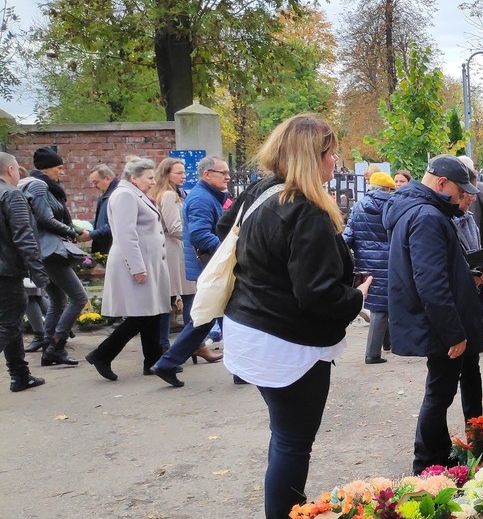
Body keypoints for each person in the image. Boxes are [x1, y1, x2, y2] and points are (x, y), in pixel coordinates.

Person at [221, 114, 370, 519]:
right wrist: (356, 297)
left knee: (283, 434)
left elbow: (224, 233)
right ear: (311, 156)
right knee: (292, 442)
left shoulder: (261, 191)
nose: (335, 160)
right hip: (286, 344)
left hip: (251, 328)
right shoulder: (305, 210)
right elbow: (318, 294)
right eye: (330, 152)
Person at [383, 154, 483, 473]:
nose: (461, 198)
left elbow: (434, 271)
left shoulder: (419, 209)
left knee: (440, 390)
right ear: (441, 183)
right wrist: (453, 333)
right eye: (459, 191)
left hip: (434, 319)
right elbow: (430, 281)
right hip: (438, 322)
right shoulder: (427, 215)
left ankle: (437, 454)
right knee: (439, 394)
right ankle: (426, 462)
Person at [84, 158, 172, 381]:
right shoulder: (125, 195)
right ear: (134, 177)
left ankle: (153, 361)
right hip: (135, 262)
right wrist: (137, 268)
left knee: (151, 312)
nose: (153, 182)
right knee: (141, 315)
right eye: (149, 178)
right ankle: (102, 354)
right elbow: (126, 234)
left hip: (146, 261)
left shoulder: (134, 194)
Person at [149, 155, 230, 385]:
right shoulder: (202, 198)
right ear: (207, 174)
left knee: (208, 317)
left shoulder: (206, 195)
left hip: (211, 267)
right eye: (223, 173)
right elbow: (199, 234)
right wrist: (227, 251)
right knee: (219, 317)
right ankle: (241, 370)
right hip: (212, 267)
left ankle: (167, 363)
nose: (227, 177)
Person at [21, 147, 88, 367]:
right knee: (79, 298)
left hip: (41, 251)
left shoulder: (33, 184)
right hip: (49, 252)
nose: (62, 172)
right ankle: (56, 347)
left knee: (58, 300)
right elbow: (46, 219)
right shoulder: (39, 186)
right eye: (59, 168)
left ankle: (49, 350)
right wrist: (73, 231)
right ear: (47, 168)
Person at [0, 152, 50, 392]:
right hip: (6, 272)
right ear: (11, 170)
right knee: (9, 324)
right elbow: (24, 236)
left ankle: (20, 375)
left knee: (10, 323)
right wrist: (38, 272)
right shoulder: (12, 194)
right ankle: (19, 374)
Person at [343, 172, 395, 364]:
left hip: (365, 263)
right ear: (388, 189)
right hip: (388, 262)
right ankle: (372, 354)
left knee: (380, 304)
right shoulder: (392, 205)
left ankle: (388, 343)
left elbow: (348, 235)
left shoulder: (358, 206)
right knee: (381, 308)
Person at [449, 188, 483, 421]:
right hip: (456, 305)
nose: (472, 198)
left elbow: (475, 251)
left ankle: (476, 425)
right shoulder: (440, 221)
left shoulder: (468, 217)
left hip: (471, 297)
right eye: (467, 193)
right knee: (443, 385)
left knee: (472, 368)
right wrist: (472, 277)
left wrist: (481, 271)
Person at [87, 164, 119, 255]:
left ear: (107, 178)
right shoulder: (104, 196)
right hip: (105, 249)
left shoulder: (117, 195)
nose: (94, 186)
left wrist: (91, 235)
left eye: (96, 182)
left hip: (112, 250)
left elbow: (114, 224)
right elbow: (101, 221)